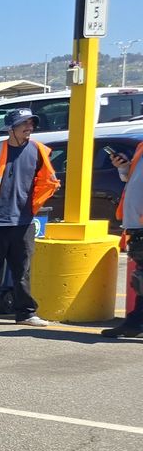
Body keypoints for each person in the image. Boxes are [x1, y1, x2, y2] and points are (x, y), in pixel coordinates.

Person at [0, 109, 58, 329]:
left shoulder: (38, 151)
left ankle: (26, 313)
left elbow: (47, 181)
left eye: (31, 123)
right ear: (11, 129)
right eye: (24, 124)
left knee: (22, 271)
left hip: (23, 222)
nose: (29, 127)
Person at [102, 142, 143, 339]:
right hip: (136, 223)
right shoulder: (141, 147)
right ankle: (136, 323)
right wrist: (124, 168)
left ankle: (135, 323)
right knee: (141, 279)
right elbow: (132, 178)